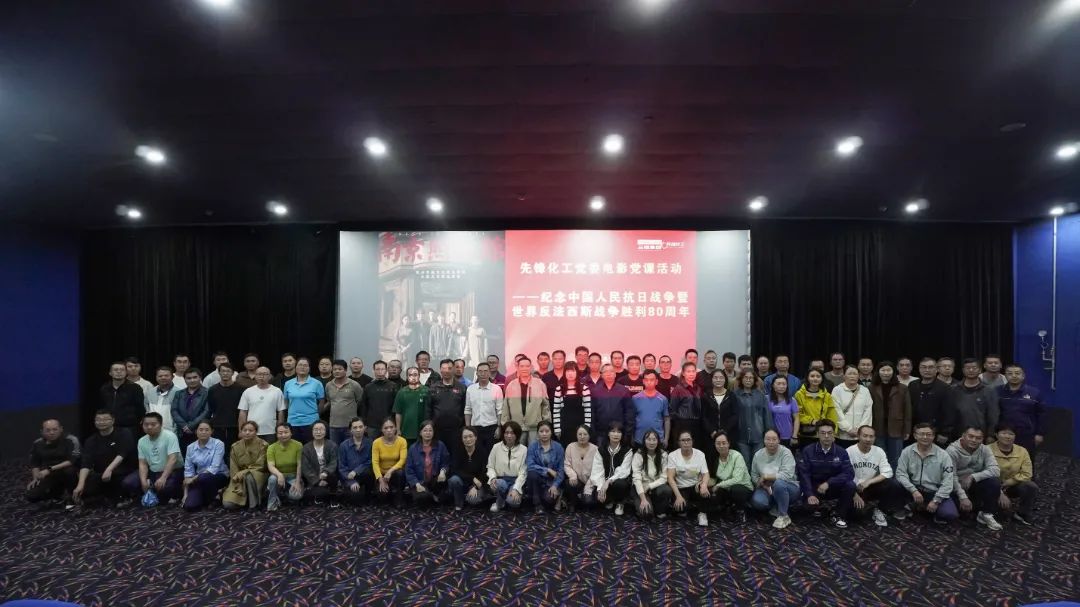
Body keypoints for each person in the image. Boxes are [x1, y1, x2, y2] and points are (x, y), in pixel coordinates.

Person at [894, 423, 959, 524]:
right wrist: (913, 490)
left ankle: (923, 507)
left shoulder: (943, 455)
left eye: (928, 434)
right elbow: (900, 473)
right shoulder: (907, 451)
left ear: (933, 436)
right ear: (915, 436)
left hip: (933, 492)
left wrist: (936, 501)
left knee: (949, 514)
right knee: (895, 483)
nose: (925, 437)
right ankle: (910, 505)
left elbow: (948, 481)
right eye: (921, 434)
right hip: (913, 490)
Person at [797, 420, 855, 528]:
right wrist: (809, 494)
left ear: (834, 434)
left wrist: (829, 483)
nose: (826, 436)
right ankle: (819, 508)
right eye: (823, 433)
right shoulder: (808, 451)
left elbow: (849, 473)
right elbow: (804, 474)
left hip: (833, 487)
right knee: (808, 507)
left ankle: (838, 514)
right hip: (815, 487)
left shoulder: (841, 452)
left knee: (850, 485)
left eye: (830, 433)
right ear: (817, 434)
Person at [72, 410, 134, 512]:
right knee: (82, 485)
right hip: (101, 473)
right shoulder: (91, 440)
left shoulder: (124, 433)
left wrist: (109, 469)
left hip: (121, 470)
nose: (101, 422)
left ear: (113, 420)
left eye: (105, 419)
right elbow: (86, 463)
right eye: (98, 420)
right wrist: (81, 484)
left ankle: (124, 497)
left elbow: (122, 453)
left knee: (120, 481)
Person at [846, 425, 906, 526]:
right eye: (865, 436)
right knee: (856, 515)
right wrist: (854, 494)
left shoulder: (879, 451)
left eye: (871, 436)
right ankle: (866, 508)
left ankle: (881, 509)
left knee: (894, 484)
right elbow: (844, 475)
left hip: (871, 486)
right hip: (854, 488)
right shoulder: (849, 451)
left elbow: (888, 472)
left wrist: (869, 482)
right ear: (858, 436)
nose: (868, 439)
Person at [947, 426, 1003, 531]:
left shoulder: (985, 449)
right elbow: (951, 476)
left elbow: (995, 470)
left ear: (982, 439)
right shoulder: (952, 451)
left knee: (994, 481)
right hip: (955, 485)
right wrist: (963, 497)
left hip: (973, 483)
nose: (974, 440)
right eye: (971, 436)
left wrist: (973, 476)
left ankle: (986, 513)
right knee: (959, 514)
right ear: (963, 436)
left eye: (978, 438)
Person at [122, 412, 184, 506]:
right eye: (146, 424)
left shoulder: (170, 436)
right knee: (128, 482)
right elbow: (142, 463)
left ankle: (158, 492)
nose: (149, 427)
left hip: (172, 471)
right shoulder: (142, 441)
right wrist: (143, 481)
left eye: (153, 424)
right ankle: (149, 490)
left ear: (161, 424)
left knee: (165, 488)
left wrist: (163, 478)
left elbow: (173, 459)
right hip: (153, 472)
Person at [749, 430, 800, 529]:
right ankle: (777, 505)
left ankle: (783, 515)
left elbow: (787, 475)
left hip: (788, 486)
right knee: (758, 502)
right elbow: (754, 476)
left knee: (779, 484)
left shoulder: (786, 452)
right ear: (764, 440)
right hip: (766, 487)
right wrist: (764, 486)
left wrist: (766, 476)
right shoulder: (758, 455)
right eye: (768, 439)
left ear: (779, 440)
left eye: (774, 439)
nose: (771, 442)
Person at [990, 424, 1038, 525]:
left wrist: (1009, 482)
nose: (1007, 436)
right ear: (996, 435)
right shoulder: (987, 450)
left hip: (1012, 485)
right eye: (1004, 433)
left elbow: (1027, 474)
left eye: (1011, 434)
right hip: (991, 485)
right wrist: (1000, 492)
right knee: (997, 512)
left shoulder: (1022, 451)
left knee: (1031, 486)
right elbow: (984, 473)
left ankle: (1022, 513)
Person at [663, 430, 712, 527]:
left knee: (706, 492)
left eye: (688, 440)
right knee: (680, 509)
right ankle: (687, 507)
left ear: (692, 441)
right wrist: (678, 496)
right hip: (681, 488)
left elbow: (706, 474)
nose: (686, 442)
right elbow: (670, 478)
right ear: (679, 443)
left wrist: (704, 485)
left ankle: (702, 514)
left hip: (696, 485)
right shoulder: (673, 455)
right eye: (683, 440)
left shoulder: (700, 454)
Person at [26, 419, 79, 506]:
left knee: (69, 471)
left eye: (55, 429)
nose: (52, 433)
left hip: (67, 471)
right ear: (42, 432)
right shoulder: (37, 443)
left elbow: (72, 460)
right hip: (49, 474)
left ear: (61, 429)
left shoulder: (71, 439)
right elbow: (35, 463)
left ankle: (71, 495)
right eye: (48, 430)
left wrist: (49, 469)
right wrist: (36, 478)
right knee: (31, 495)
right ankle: (57, 494)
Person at [501, 356, 551, 446]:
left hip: (535, 427)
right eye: (522, 366)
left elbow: (545, 406)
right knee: (517, 452)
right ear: (517, 367)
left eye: (527, 366)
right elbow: (506, 407)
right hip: (516, 427)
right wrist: (505, 425)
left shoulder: (539, 384)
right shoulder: (511, 385)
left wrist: (546, 424)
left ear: (531, 367)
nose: (524, 368)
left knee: (535, 451)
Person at [870, 361, 912, 468]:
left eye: (888, 370)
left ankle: (895, 478)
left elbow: (907, 410)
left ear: (893, 372)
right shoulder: (872, 387)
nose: (886, 373)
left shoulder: (902, 388)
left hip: (897, 428)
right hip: (877, 427)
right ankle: (882, 477)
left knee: (896, 458)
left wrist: (907, 429)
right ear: (878, 372)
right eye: (883, 370)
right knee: (880, 457)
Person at [181, 421, 228, 511]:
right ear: (196, 431)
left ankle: (215, 498)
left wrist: (194, 479)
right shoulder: (190, 447)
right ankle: (215, 495)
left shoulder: (218, 444)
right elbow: (188, 472)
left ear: (212, 431)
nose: (203, 432)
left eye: (207, 430)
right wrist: (185, 495)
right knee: (190, 506)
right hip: (199, 479)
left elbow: (214, 468)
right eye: (201, 430)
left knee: (204, 478)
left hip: (218, 476)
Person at [997, 364, 1045, 452]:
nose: (1014, 376)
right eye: (1010, 373)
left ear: (1023, 376)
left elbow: (1041, 414)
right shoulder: (998, 392)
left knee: (1026, 458)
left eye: (1017, 373)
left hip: (1027, 435)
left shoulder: (1034, 393)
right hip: (1004, 434)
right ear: (1005, 376)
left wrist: (1040, 434)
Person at [222, 421, 268, 510]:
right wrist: (237, 479)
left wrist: (244, 472)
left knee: (249, 476)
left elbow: (261, 465)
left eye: (250, 430)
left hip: (258, 474)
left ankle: (254, 504)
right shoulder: (235, 446)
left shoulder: (263, 445)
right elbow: (233, 467)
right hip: (238, 477)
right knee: (228, 504)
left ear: (256, 432)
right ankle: (245, 499)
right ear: (241, 431)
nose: (247, 433)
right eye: (245, 430)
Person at [591, 422, 634, 516]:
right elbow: (597, 471)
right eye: (613, 431)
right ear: (608, 433)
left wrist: (609, 481)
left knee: (620, 484)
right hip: (605, 483)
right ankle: (610, 500)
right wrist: (601, 488)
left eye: (619, 432)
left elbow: (624, 471)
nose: (616, 434)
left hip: (620, 482)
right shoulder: (601, 450)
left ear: (622, 435)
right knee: (596, 498)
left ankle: (620, 502)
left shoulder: (627, 450)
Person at [910, 358, 955, 448]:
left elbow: (950, 412)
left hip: (936, 433)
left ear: (936, 369)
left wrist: (945, 433)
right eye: (924, 367)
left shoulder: (945, 388)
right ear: (919, 369)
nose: (927, 370)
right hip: (915, 431)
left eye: (930, 367)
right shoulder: (913, 385)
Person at [708, 432, 752, 523]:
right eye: (718, 443)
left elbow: (737, 479)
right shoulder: (715, 459)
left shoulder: (737, 456)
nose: (721, 446)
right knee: (711, 492)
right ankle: (728, 507)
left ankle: (740, 510)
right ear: (715, 445)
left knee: (737, 490)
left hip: (741, 486)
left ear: (729, 443)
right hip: (726, 487)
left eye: (724, 443)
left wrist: (719, 485)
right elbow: (714, 478)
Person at [404, 420, 450, 506]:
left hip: (435, 481)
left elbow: (446, 463)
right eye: (425, 430)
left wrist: (443, 471)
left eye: (430, 430)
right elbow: (409, 470)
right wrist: (417, 484)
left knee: (446, 496)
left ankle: (432, 495)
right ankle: (431, 496)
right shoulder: (413, 448)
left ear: (433, 432)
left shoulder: (440, 445)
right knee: (422, 499)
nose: (428, 433)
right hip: (419, 482)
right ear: (420, 433)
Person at [487, 421, 528, 512]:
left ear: (517, 434)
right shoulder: (496, 447)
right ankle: (499, 501)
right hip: (501, 480)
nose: (509, 436)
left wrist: (516, 489)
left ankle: (507, 498)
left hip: (515, 480)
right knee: (497, 483)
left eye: (512, 433)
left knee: (514, 503)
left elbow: (523, 472)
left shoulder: (524, 449)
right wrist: (492, 478)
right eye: (506, 432)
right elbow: (490, 466)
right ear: (503, 434)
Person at [954, 358, 1000, 440]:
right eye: (968, 368)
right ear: (963, 370)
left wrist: (991, 434)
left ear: (980, 370)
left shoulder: (988, 390)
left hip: (980, 436)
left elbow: (993, 415)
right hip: (958, 435)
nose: (971, 370)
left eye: (974, 368)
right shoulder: (954, 389)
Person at [283, 358, 326, 444]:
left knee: (310, 447)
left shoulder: (317, 383)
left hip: (311, 422)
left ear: (309, 368)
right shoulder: (288, 383)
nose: (302, 367)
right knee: (295, 448)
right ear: (295, 367)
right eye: (300, 365)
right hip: (293, 422)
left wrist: (316, 414)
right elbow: (286, 401)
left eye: (305, 365)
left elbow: (321, 402)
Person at [238, 367, 286, 444]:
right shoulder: (248, 391)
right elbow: (243, 412)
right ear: (255, 376)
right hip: (251, 431)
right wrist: (241, 431)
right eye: (259, 374)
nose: (261, 376)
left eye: (265, 374)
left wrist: (280, 430)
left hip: (271, 431)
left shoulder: (277, 391)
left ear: (270, 376)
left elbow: (280, 412)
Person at [733, 369, 773, 463]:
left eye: (751, 378)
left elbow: (766, 415)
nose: (748, 380)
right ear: (741, 379)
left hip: (758, 435)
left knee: (757, 463)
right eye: (746, 377)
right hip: (741, 435)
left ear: (754, 380)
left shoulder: (761, 395)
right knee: (745, 463)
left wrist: (769, 431)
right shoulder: (735, 395)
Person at [525, 421, 565, 513]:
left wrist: (555, 485)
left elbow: (561, 470)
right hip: (536, 481)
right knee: (532, 473)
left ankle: (554, 496)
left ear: (551, 432)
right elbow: (530, 466)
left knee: (549, 500)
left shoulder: (558, 447)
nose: (544, 434)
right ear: (537, 433)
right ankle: (537, 504)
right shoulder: (532, 446)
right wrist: (547, 470)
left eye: (547, 431)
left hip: (551, 482)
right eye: (541, 431)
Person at [427, 359, 468, 449]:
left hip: (456, 431)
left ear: (453, 369)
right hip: (437, 430)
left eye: (449, 368)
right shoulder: (433, 388)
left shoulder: (462, 388)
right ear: (440, 370)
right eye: (444, 368)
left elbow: (466, 409)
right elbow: (428, 409)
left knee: (455, 454)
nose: (446, 371)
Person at [592, 364, 635, 447]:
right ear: (601, 375)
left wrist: (628, 432)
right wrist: (594, 432)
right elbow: (592, 413)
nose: (609, 374)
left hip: (619, 432)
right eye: (605, 371)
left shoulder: (624, 390)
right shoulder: (595, 391)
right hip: (600, 434)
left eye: (611, 371)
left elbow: (629, 413)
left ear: (615, 374)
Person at [448, 426, 489, 510]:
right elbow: (454, 470)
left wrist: (476, 487)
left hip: (477, 483)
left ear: (475, 437)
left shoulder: (482, 451)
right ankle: (459, 502)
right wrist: (472, 478)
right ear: (462, 439)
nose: (468, 439)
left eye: (471, 436)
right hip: (462, 482)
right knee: (453, 480)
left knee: (473, 501)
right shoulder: (458, 450)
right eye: (465, 437)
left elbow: (484, 472)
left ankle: (472, 496)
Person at [552, 362, 592, 448]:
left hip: (580, 427)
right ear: (564, 373)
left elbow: (588, 410)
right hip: (564, 426)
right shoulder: (559, 389)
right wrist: (557, 429)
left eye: (573, 371)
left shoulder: (584, 388)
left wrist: (587, 428)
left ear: (577, 372)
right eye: (568, 371)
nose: (570, 374)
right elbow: (556, 411)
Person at [100, 361, 145, 437]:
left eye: (122, 370)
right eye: (116, 370)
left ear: (126, 372)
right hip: (109, 427)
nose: (119, 372)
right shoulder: (105, 389)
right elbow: (102, 407)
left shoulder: (135, 388)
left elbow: (140, 408)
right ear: (110, 373)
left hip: (129, 428)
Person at [208, 362, 245, 454]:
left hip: (235, 427)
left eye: (228, 371)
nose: (225, 373)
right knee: (218, 453)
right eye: (223, 371)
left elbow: (243, 410)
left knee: (234, 453)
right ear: (219, 373)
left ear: (233, 373)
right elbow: (211, 409)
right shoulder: (212, 390)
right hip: (218, 427)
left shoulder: (241, 389)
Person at [632, 429, 669, 519]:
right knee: (646, 514)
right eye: (648, 439)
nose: (651, 442)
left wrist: (649, 486)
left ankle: (659, 508)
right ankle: (646, 504)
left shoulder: (663, 455)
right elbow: (636, 478)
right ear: (644, 441)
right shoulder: (638, 455)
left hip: (655, 487)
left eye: (654, 439)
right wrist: (643, 499)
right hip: (641, 488)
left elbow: (664, 477)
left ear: (658, 441)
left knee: (666, 489)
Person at [265, 423, 304, 511]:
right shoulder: (271, 447)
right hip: (278, 476)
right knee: (272, 479)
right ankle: (272, 502)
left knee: (296, 496)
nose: (283, 435)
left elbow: (299, 465)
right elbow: (270, 466)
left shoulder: (298, 445)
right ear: (276, 434)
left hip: (293, 476)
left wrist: (298, 482)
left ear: (291, 433)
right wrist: (279, 475)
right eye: (280, 433)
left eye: (286, 432)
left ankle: (283, 491)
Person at [668, 363, 707, 450]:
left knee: (696, 449)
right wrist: (680, 421)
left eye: (693, 371)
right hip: (682, 424)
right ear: (683, 373)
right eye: (688, 371)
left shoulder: (698, 388)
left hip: (697, 424)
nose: (691, 374)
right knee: (682, 449)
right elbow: (672, 409)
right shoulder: (678, 388)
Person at [325, 359, 364, 446]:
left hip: (350, 426)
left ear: (345, 370)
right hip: (334, 425)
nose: (337, 371)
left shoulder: (354, 385)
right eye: (335, 369)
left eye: (340, 369)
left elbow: (360, 401)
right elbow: (329, 401)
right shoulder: (328, 385)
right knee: (335, 449)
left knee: (350, 449)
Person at [832, 366, 873, 448]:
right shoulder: (837, 390)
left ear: (858, 376)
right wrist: (848, 429)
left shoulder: (865, 390)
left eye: (855, 374)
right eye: (849, 373)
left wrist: (861, 430)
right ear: (844, 376)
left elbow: (868, 412)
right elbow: (836, 411)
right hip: (842, 435)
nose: (852, 376)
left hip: (861, 435)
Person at [795, 369, 837, 447]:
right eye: (812, 376)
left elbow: (832, 415)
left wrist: (834, 433)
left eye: (818, 376)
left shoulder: (827, 395)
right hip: (806, 434)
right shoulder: (799, 394)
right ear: (807, 378)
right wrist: (811, 421)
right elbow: (797, 414)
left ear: (822, 379)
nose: (815, 378)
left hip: (824, 434)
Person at [172, 367, 211, 452]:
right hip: (182, 432)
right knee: (184, 456)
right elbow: (174, 411)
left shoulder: (207, 392)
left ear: (200, 378)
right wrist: (184, 426)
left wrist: (191, 426)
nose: (192, 380)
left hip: (199, 431)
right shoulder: (179, 393)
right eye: (189, 378)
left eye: (195, 377)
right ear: (185, 379)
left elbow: (206, 411)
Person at [563, 425, 600, 512]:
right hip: (576, 480)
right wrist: (573, 476)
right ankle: (573, 502)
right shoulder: (570, 447)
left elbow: (597, 471)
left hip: (591, 482)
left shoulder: (595, 449)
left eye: (585, 434)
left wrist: (588, 488)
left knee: (588, 502)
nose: (582, 437)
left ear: (589, 436)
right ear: (576, 435)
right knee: (570, 483)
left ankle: (582, 497)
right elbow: (567, 465)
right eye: (580, 434)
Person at [301, 421, 339, 505]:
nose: (318, 432)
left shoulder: (332, 445)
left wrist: (326, 472)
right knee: (320, 495)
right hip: (315, 477)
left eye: (321, 429)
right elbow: (306, 468)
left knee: (333, 477)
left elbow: (334, 462)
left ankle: (333, 495)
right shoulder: (306, 448)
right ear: (312, 432)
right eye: (316, 429)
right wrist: (317, 481)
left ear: (326, 431)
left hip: (329, 476)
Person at [372, 417, 408, 508]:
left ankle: (399, 497)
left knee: (400, 473)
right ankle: (388, 492)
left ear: (395, 428)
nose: (389, 430)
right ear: (382, 430)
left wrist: (390, 471)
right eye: (386, 428)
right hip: (382, 475)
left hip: (395, 473)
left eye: (391, 427)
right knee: (382, 495)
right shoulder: (376, 442)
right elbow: (375, 462)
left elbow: (402, 460)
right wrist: (381, 480)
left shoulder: (402, 441)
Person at [337, 418, 374, 505]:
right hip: (349, 477)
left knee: (369, 472)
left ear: (365, 428)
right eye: (355, 427)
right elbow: (342, 467)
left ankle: (368, 493)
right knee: (354, 499)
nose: (358, 430)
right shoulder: (343, 445)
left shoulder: (370, 443)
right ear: (351, 430)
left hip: (365, 475)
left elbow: (370, 461)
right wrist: (351, 482)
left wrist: (356, 471)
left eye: (360, 427)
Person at [360, 360, 399, 440]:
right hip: (372, 425)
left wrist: (394, 423)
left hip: (389, 425)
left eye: (382, 369)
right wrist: (364, 423)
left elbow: (396, 407)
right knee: (372, 446)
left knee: (389, 445)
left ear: (386, 370)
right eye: (377, 369)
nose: (380, 371)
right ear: (373, 370)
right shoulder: (368, 387)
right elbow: (364, 406)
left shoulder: (393, 386)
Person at [632, 370, 671, 447]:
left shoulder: (663, 399)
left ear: (656, 381)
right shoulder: (635, 398)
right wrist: (631, 436)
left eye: (651, 380)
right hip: (639, 439)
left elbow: (666, 419)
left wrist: (666, 439)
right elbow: (631, 419)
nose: (649, 382)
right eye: (646, 380)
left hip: (658, 439)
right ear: (643, 381)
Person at [393, 367, 428, 445]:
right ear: (407, 377)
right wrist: (398, 429)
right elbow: (398, 413)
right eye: (410, 375)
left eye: (415, 375)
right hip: (406, 430)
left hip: (423, 431)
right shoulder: (401, 392)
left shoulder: (426, 391)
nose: (413, 377)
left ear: (419, 376)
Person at [702, 369, 737, 442]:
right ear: (711, 380)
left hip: (728, 434)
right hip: (710, 435)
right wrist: (712, 431)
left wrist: (725, 431)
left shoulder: (731, 395)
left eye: (721, 378)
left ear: (725, 379)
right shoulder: (706, 395)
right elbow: (703, 416)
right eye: (715, 378)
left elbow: (735, 415)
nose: (718, 380)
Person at [145, 366, 180, 435]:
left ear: (172, 377)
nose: (163, 378)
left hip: (172, 432)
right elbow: (147, 411)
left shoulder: (179, 392)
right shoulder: (150, 393)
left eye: (166, 375)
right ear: (156, 377)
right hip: (152, 431)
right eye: (160, 376)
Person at [766, 376, 800, 449]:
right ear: (773, 385)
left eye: (784, 384)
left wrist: (794, 436)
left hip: (787, 437)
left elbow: (796, 419)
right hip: (771, 436)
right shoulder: (766, 399)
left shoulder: (792, 400)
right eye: (778, 384)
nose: (781, 386)